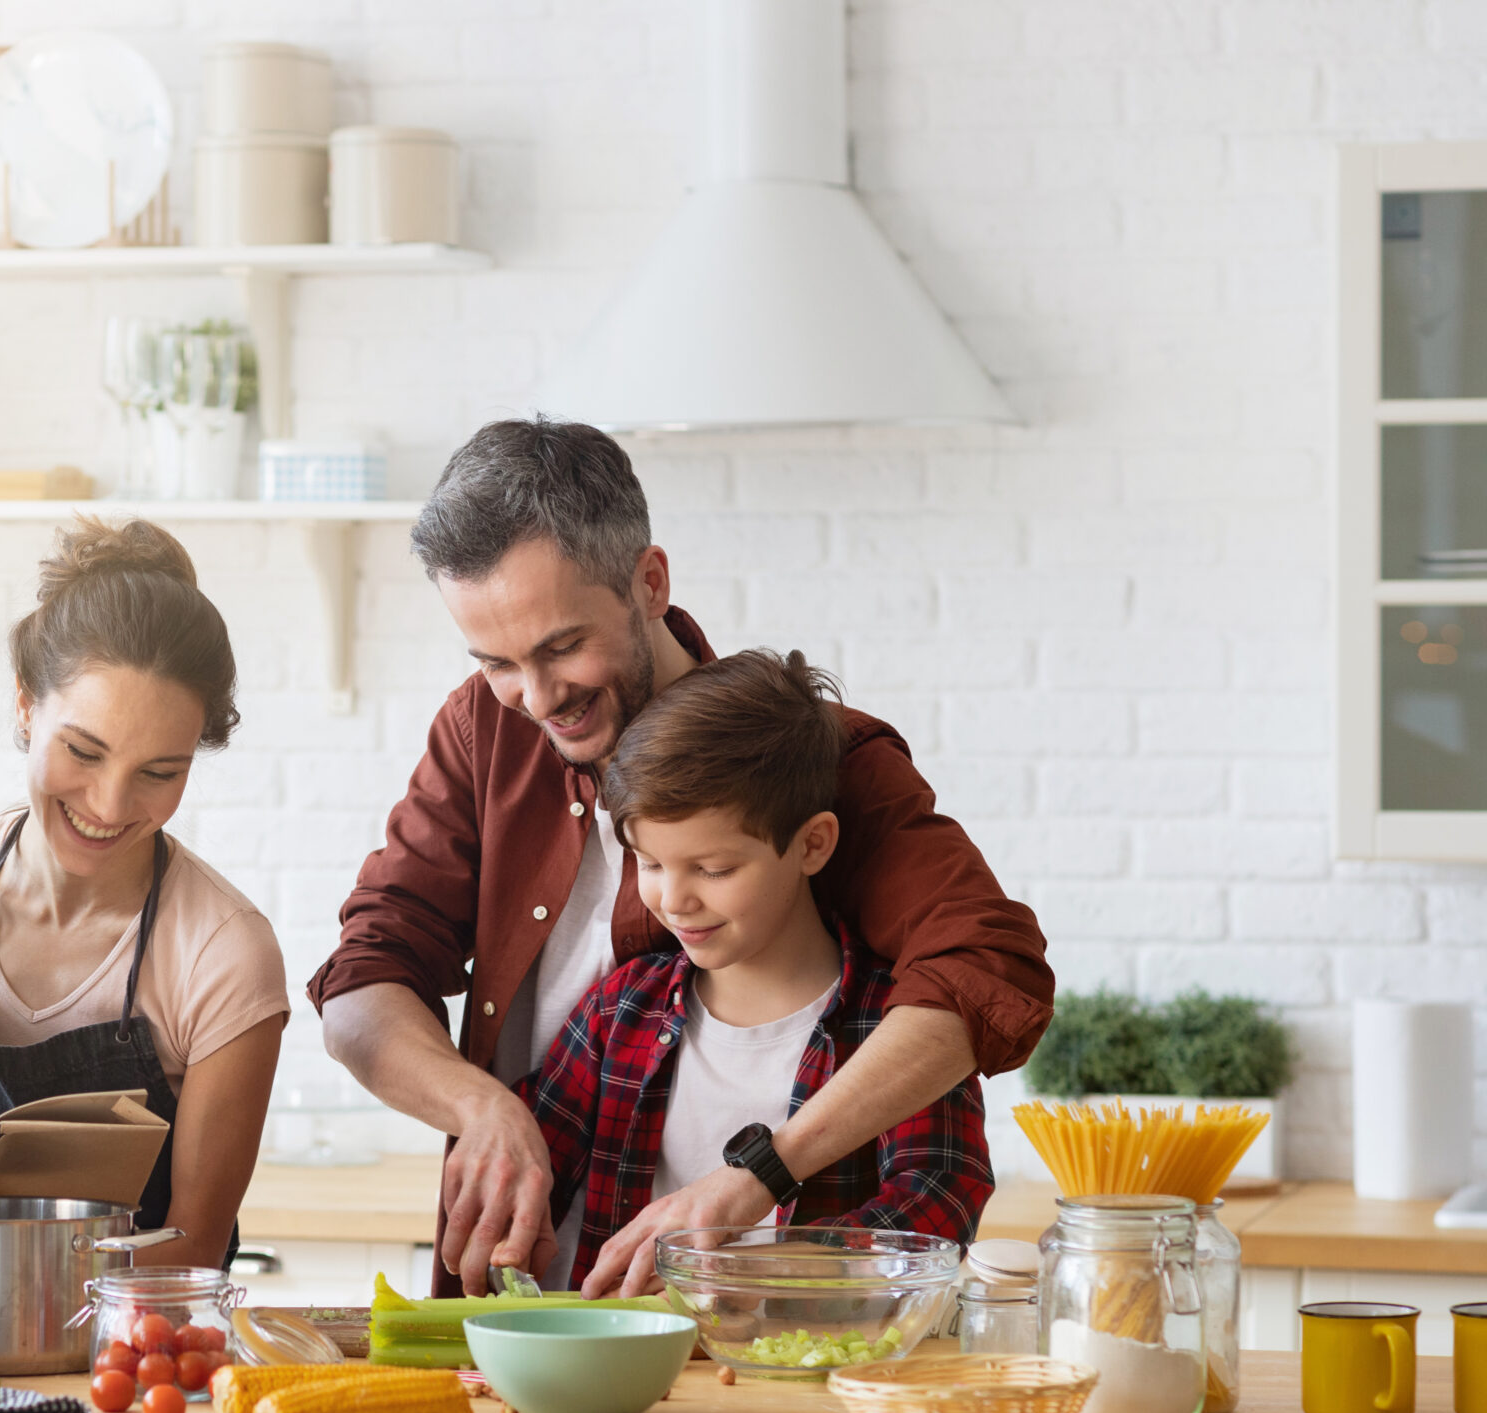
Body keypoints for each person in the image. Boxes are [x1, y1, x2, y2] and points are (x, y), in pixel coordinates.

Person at [310, 418, 1051, 1295]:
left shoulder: (813, 759)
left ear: (649, 581)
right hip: (550, 1312)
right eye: (496, 662)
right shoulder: (485, 729)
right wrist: (481, 1108)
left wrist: (760, 1182)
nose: (537, 698)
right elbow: (362, 984)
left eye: (561, 647)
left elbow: (986, 968)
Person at [0, 518, 289, 1270]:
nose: (108, 804)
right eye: (83, 750)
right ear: (26, 706)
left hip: (133, 1356)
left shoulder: (224, 952)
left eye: (159, 773)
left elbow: (194, 1247)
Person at [523, 649, 995, 1297]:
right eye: (650, 863)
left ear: (813, 844)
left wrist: (746, 1275)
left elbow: (936, 1204)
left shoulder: (896, 1027)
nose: (674, 900)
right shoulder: (617, 1012)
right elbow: (530, 1173)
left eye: (713, 869)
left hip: (811, 1382)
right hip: (625, 1380)